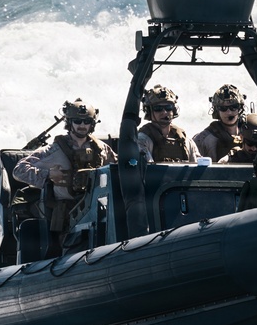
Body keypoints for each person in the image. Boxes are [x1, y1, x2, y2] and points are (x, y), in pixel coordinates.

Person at [14, 99, 116, 239]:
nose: (82, 125)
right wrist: (48, 174)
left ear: (92, 124)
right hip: (68, 216)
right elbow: (19, 170)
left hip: (98, 212)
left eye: (86, 121)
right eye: (77, 121)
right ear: (69, 123)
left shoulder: (101, 149)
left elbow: (119, 167)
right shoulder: (54, 150)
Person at [138, 85, 200, 163]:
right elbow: (146, 171)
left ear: (173, 110)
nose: (164, 112)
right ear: (149, 112)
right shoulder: (142, 140)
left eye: (168, 107)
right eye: (158, 108)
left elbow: (197, 169)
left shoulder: (185, 140)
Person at [192, 84, 255, 161]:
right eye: (223, 108)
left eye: (233, 107)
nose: (229, 112)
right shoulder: (204, 139)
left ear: (240, 108)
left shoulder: (252, 134)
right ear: (216, 110)